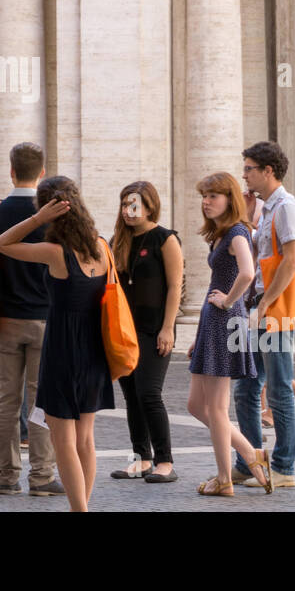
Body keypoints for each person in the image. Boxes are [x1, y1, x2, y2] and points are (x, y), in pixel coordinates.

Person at [0, 176, 115, 511]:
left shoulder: (56, 253)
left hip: (63, 349)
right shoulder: (102, 247)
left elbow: (2, 244)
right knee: (86, 439)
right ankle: (83, 505)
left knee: (64, 440)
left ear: (50, 209)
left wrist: (36, 220)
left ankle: (80, 510)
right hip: (94, 349)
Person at [0, 142, 62, 497]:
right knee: (41, 401)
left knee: (7, 400)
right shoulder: (53, 211)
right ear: (41, 172)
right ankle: (42, 476)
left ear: (11, 171)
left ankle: (6, 476)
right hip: (45, 318)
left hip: (5, 319)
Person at [185, 173, 272, 496]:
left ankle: (224, 479)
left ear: (229, 199)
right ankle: (252, 454)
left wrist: (228, 300)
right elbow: (215, 284)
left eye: (213, 196)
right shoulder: (220, 234)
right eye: (204, 196)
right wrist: (199, 334)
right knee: (197, 405)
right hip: (213, 322)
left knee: (218, 410)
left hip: (224, 319)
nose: (206, 202)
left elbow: (248, 272)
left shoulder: (237, 231)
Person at [231, 141, 295, 489]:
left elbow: (292, 261)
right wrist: (246, 218)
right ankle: (250, 461)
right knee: (246, 388)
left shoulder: (287, 207)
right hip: (257, 305)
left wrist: (265, 302)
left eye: (249, 168)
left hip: (271, 308)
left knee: (277, 388)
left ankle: (284, 465)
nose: (244, 174)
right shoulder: (267, 208)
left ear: (267, 171)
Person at [109, 181, 183, 482]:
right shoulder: (119, 240)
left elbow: (176, 286)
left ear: (150, 206)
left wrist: (168, 328)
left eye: (134, 205)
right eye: (125, 204)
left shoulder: (165, 239)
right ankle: (141, 458)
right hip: (125, 329)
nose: (128, 211)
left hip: (154, 328)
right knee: (131, 396)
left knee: (149, 393)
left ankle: (165, 461)